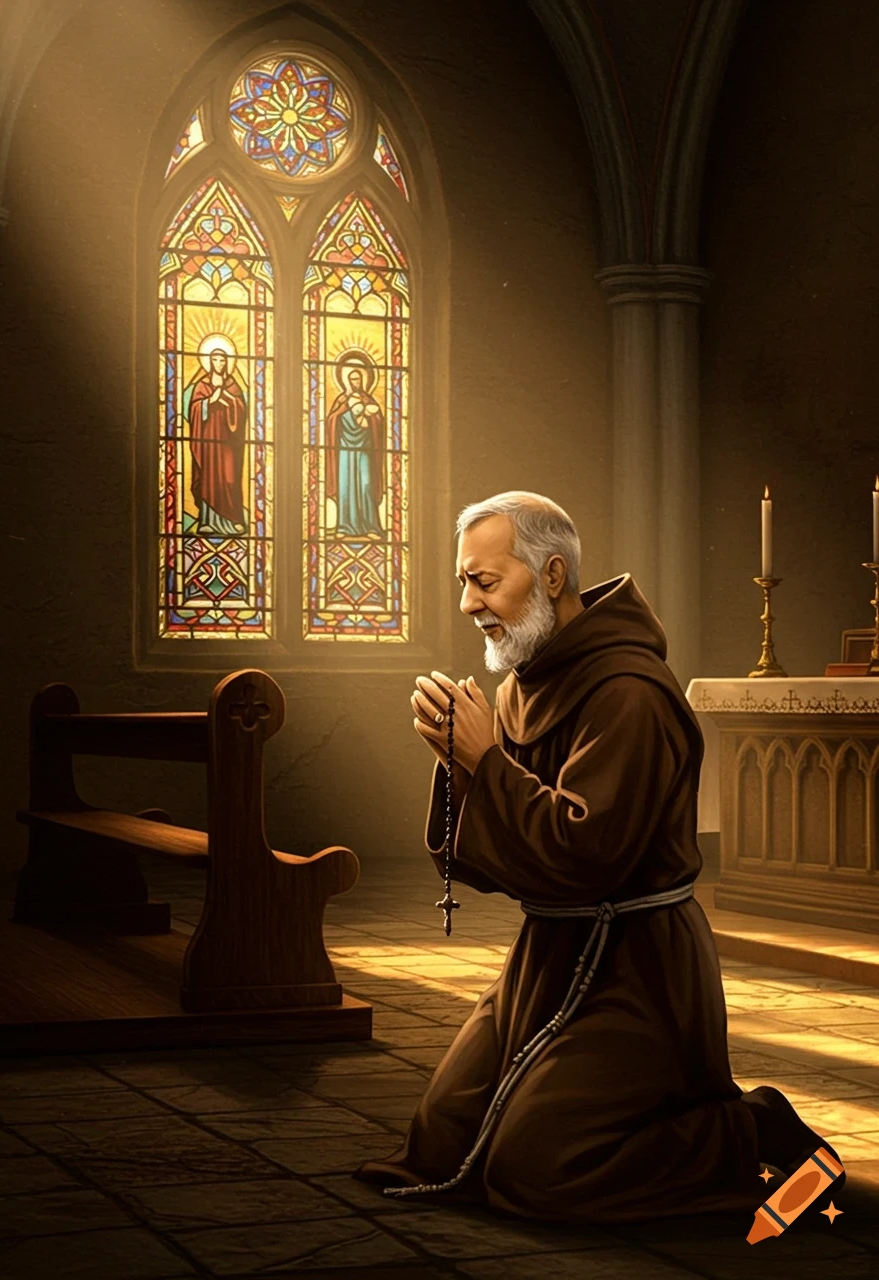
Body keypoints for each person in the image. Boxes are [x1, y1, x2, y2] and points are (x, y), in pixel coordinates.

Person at [355, 490, 840, 1222]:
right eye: (464, 582)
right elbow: (496, 865)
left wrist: (484, 761)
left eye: (484, 582)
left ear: (552, 577)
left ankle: (746, 1126)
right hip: (549, 952)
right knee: (442, 1138)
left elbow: (588, 854)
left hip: (636, 967)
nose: (467, 603)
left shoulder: (629, 693)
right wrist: (460, 763)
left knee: (540, 1168)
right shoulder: (523, 682)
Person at [187, 348, 248, 535]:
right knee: (208, 479)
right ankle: (207, 521)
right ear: (210, 362)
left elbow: (241, 409)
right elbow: (194, 409)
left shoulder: (232, 384)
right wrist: (210, 400)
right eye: (215, 360)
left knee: (230, 479)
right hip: (208, 441)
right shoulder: (202, 385)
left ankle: (234, 519)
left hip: (228, 442)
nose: (219, 364)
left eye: (222, 360)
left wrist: (228, 400)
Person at [326, 362, 385, 537]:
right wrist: (349, 414)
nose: (355, 382)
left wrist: (369, 418)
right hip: (345, 449)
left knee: (366, 484)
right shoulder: (342, 400)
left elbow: (378, 422)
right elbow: (332, 421)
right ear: (345, 381)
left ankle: (370, 526)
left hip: (364, 449)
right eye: (352, 379)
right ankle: (344, 526)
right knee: (345, 487)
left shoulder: (369, 400)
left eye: (358, 379)